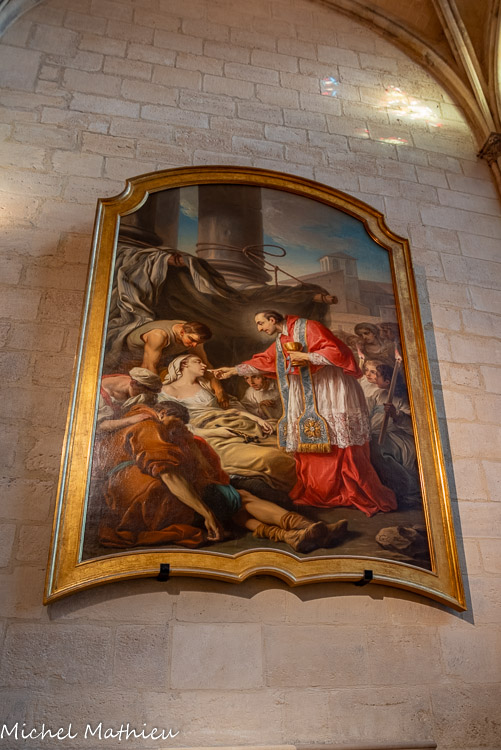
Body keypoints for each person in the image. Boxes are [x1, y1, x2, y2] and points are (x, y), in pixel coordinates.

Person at [98, 400, 347, 552]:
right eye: (176, 424)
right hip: (147, 502)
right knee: (241, 498)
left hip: (144, 500)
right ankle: (306, 526)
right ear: (161, 413)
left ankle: (291, 535)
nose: (178, 431)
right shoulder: (149, 425)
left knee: (233, 504)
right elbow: (169, 475)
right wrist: (206, 513)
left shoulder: (147, 428)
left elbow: (196, 474)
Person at [214, 311, 397, 517]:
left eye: (261, 323)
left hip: (330, 386)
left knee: (339, 437)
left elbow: (336, 351)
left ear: (272, 319)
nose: (260, 328)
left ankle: (346, 488)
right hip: (309, 388)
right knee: (315, 439)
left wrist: (307, 357)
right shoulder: (283, 338)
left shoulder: (309, 327)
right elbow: (267, 360)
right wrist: (233, 370)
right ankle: (322, 490)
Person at [158, 354, 296, 493]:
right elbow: (171, 425)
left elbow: (229, 408)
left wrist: (256, 419)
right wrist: (214, 432)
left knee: (288, 448)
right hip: (210, 434)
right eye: (198, 362)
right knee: (269, 458)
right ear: (183, 364)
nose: (204, 365)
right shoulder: (167, 391)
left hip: (235, 423)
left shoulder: (205, 385)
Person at [126, 318, 228, 406]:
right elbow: (148, 367)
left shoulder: (193, 334)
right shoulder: (158, 336)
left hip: (161, 357)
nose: (194, 345)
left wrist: (219, 390)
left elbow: (206, 365)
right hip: (136, 357)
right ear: (182, 332)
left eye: (198, 342)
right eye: (192, 340)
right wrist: (161, 396)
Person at [97, 367, 163, 432]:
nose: (143, 397)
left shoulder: (133, 379)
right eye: (141, 393)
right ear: (133, 383)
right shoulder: (99, 397)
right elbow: (99, 425)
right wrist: (130, 420)